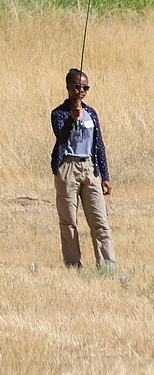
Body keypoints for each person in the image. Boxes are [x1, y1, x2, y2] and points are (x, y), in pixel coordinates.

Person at [50, 68, 116, 269]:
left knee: (100, 221)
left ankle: (107, 267)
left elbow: (99, 145)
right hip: (68, 167)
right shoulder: (58, 113)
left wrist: (104, 175)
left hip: (89, 167)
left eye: (85, 87)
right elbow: (61, 136)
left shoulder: (92, 114)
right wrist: (73, 118)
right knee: (69, 222)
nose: (82, 91)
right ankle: (73, 266)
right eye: (78, 86)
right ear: (68, 87)